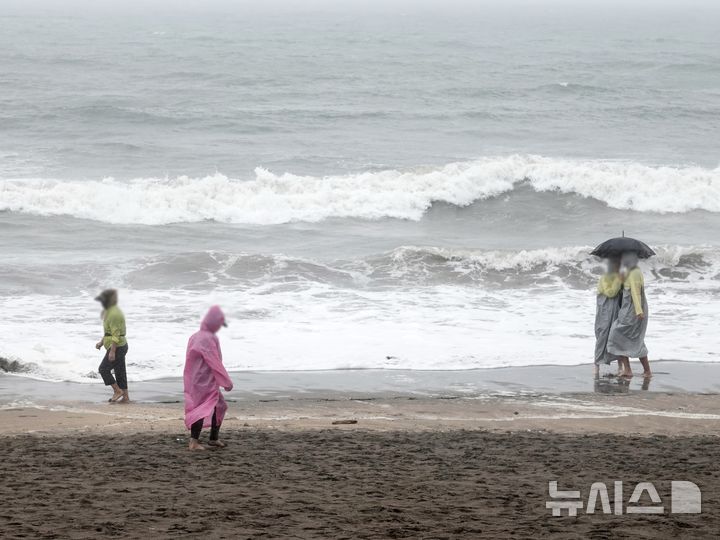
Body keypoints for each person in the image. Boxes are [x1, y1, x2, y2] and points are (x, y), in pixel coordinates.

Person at [184, 305, 233, 451]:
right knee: (200, 408)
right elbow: (214, 361)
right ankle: (193, 442)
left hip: (195, 378)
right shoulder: (208, 338)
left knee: (220, 406)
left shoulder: (195, 336)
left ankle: (213, 438)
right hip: (203, 380)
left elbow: (189, 359)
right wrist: (226, 381)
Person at [607, 252, 651, 378]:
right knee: (624, 339)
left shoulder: (635, 273)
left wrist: (639, 311)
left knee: (618, 337)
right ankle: (629, 370)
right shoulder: (628, 273)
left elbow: (636, 294)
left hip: (633, 313)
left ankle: (645, 371)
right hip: (626, 311)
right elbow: (614, 291)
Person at [95, 289, 130, 403]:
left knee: (103, 369)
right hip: (119, 345)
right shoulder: (110, 311)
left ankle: (117, 391)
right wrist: (102, 342)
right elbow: (109, 332)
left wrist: (112, 351)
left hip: (118, 346)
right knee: (120, 371)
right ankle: (125, 397)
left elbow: (116, 334)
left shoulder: (114, 314)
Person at [594, 257, 622, 376]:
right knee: (603, 335)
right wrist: (619, 280)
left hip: (614, 311)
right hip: (605, 312)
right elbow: (611, 293)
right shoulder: (606, 277)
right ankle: (596, 365)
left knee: (616, 336)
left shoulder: (618, 277)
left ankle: (621, 365)